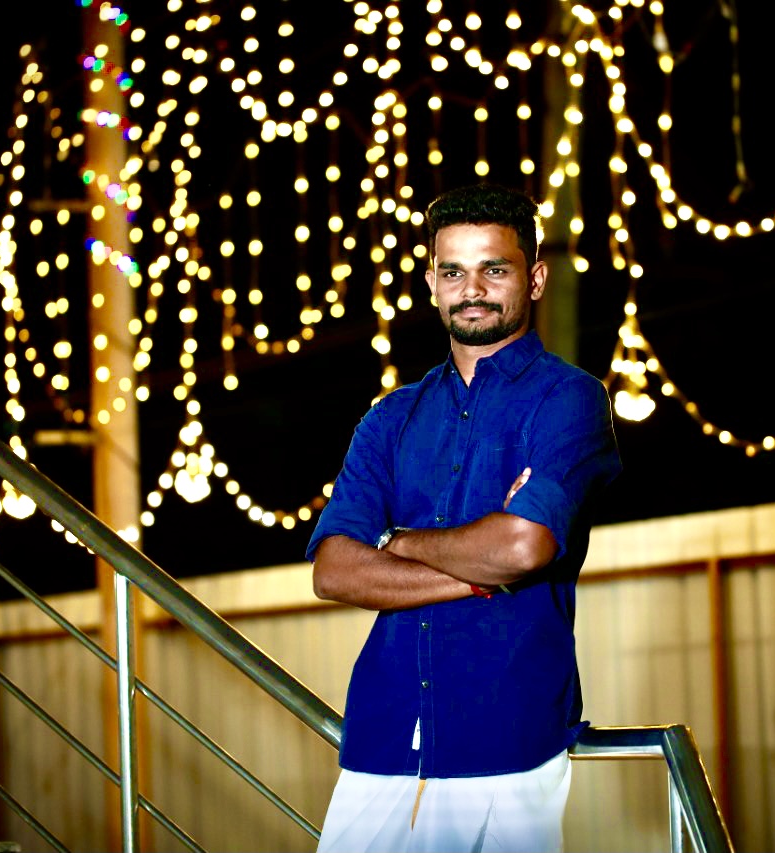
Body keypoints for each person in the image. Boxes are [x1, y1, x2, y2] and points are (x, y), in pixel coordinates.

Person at [306, 183, 622, 853]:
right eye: (452, 271)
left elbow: (523, 547)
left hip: (508, 737)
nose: (471, 289)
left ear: (535, 279)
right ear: (431, 283)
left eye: (493, 269)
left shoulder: (570, 399)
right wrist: (480, 569)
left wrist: (395, 542)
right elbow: (333, 570)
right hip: (382, 737)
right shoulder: (390, 418)